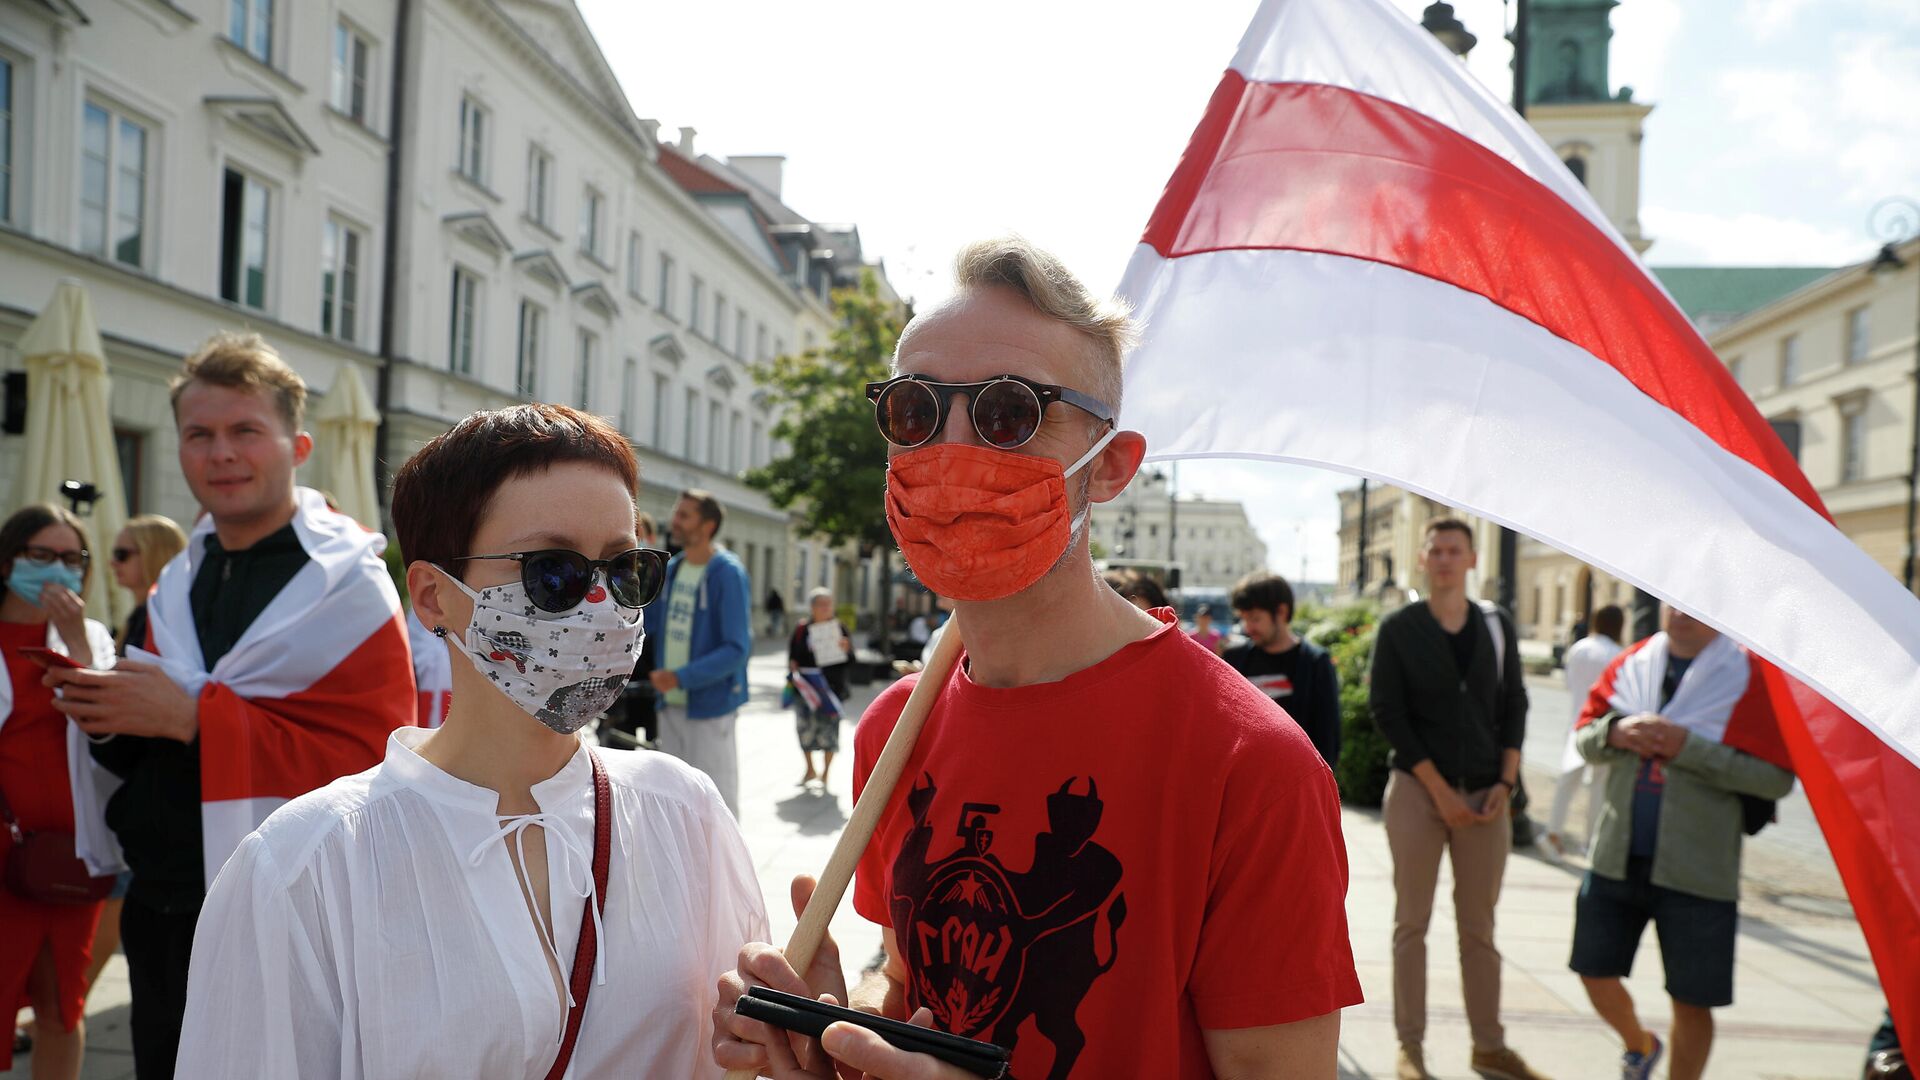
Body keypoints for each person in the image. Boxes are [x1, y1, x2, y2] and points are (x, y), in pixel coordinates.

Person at [715, 237, 1361, 1079]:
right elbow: (914, 984)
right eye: (915, 410)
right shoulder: (892, 732)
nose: (951, 449)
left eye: (1009, 413)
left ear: (1112, 466)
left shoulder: (1251, 765)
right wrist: (842, 1035)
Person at [173, 403, 768, 1076]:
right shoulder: (305, 867)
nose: (600, 602)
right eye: (553, 572)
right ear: (431, 597)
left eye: (624, 567)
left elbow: (731, 1057)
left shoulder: (683, 813)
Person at [43, 333, 414, 1079]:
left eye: (246, 430)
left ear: (297, 444)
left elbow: (376, 770)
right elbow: (139, 748)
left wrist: (190, 717)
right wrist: (102, 705)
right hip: (162, 906)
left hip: (283, 916)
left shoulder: (349, 586)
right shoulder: (174, 581)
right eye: (199, 435)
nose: (222, 454)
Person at [1568, 606, 1794, 1080]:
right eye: (1673, 599)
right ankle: (1640, 1044)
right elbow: (1585, 738)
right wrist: (1615, 731)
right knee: (1593, 969)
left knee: (1692, 1000)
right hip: (1616, 856)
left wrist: (1687, 747)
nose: (1680, 611)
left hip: (1698, 869)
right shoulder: (1632, 664)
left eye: (1696, 602)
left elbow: (1774, 779)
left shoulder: (1746, 678)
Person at [1369, 519, 1541, 1080]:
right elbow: (1388, 713)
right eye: (1435, 550)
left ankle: (1488, 1046)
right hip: (1419, 794)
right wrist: (1440, 792)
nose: (1444, 559)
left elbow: (1514, 700)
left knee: (1479, 929)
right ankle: (1410, 1048)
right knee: (1411, 924)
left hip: (1488, 796)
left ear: (1471, 559)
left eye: (1454, 550)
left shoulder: (1495, 624)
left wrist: (1506, 782)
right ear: (1422, 559)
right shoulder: (1400, 628)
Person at [0, 504, 115, 1080]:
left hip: (67, 852)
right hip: (3, 852)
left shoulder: (90, 636)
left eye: (71, 558)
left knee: (61, 1007)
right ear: (8, 561)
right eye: (40, 555)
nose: (56, 570)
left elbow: (111, 725)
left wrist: (75, 642)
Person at [81, 515, 187, 1009]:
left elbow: (133, 735)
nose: (113, 563)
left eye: (124, 554)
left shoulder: (154, 622)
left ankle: (75, 997)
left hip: (159, 824)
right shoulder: (148, 617)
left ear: (154, 556)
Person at [650, 490, 752, 818]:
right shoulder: (674, 568)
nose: (675, 521)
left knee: (716, 806)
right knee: (674, 804)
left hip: (710, 709)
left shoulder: (726, 573)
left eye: (684, 516)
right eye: (676, 514)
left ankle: (724, 871)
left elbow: (737, 649)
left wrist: (681, 677)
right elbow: (647, 625)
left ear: (707, 526)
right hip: (671, 706)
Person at [1224, 572, 1340, 768]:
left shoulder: (1315, 663)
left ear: (1282, 612)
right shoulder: (1234, 659)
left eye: (1255, 619)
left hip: (1294, 783)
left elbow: (1328, 738)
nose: (1248, 628)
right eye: (1244, 619)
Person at [1547, 604, 1625, 856]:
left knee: (1567, 781)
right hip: (1604, 728)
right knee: (1599, 788)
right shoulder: (1618, 655)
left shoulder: (1579, 649)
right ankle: (1590, 842)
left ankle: (1553, 832)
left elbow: (1569, 683)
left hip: (1578, 721)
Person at [602, 512, 663, 750]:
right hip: (623, 676)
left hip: (653, 676)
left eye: (640, 533)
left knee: (654, 747)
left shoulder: (659, 573)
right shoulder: (613, 573)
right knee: (619, 744)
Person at [788, 587, 852, 789]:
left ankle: (826, 773)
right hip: (806, 690)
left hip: (831, 690)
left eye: (828, 604)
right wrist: (793, 666)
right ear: (812, 608)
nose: (826, 608)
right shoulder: (802, 629)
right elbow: (793, 655)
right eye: (821, 605)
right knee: (804, 729)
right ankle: (810, 769)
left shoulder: (839, 628)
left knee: (830, 732)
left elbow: (851, 660)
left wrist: (846, 650)